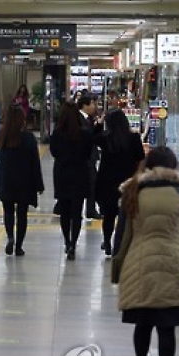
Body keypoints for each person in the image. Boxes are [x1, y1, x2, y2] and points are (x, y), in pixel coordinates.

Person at [111, 146, 179, 356]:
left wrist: (117, 268)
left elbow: (122, 233)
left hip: (139, 261)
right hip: (174, 262)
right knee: (166, 326)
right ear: (173, 166)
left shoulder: (133, 190)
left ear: (148, 165)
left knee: (143, 323)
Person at [94, 109, 145, 255]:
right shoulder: (134, 138)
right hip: (127, 182)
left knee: (108, 215)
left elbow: (92, 138)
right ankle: (121, 243)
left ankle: (107, 241)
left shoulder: (106, 138)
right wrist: (137, 176)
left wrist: (99, 123)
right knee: (126, 215)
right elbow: (141, 158)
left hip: (107, 182)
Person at [0, 104, 44, 256]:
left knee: (8, 211)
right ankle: (19, 246)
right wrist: (39, 184)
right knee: (22, 214)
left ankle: (10, 236)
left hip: (6, 179)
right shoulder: (28, 138)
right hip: (25, 180)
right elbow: (35, 162)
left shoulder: (2, 135)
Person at [50, 102, 93, 261]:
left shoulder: (57, 133)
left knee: (65, 212)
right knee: (77, 213)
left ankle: (67, 241)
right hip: (80, 174)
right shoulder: (85, 133)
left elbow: (54, 152)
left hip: (62, 175)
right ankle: (74, 243)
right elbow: (89, 154)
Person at [78, 94, 103, 220]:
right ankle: (89, 209)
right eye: (93, 104)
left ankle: (91, 209)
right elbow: (88, 137)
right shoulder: (79, 119)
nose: (95, 107)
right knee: (89, 183)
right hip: (84, 157)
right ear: (85, 105)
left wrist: (98, 125)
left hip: (90, 157)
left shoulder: (89, 119)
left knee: (92, 183)